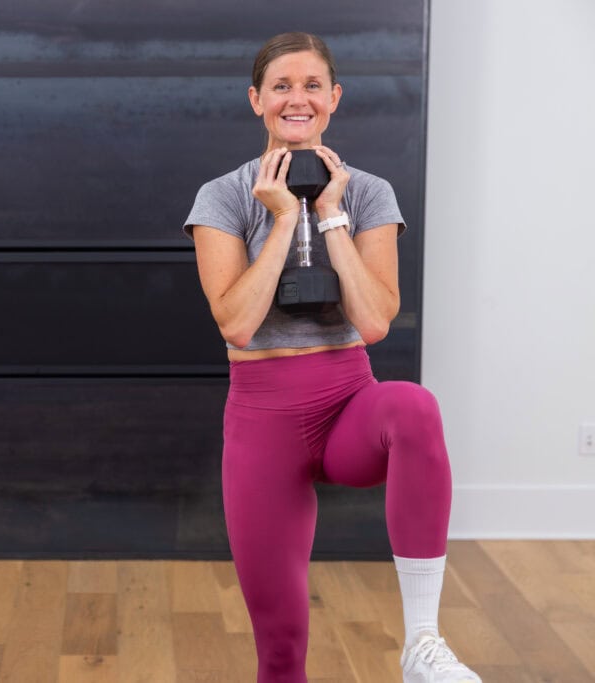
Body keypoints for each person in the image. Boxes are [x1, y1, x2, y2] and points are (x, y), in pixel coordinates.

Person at [184, 32, 481, 683]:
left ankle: (422, 640)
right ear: (257, 99)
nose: (299, 98)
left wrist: (331, 215)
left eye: (313, 85)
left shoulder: (369, 193)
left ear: (334, 98)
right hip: (263, 424)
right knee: (283, 647)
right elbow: (235, 322)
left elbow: (374, 320)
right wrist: (284, 218)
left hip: (349, 405)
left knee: (413, 405)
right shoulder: (224, 196)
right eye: (283, 85)